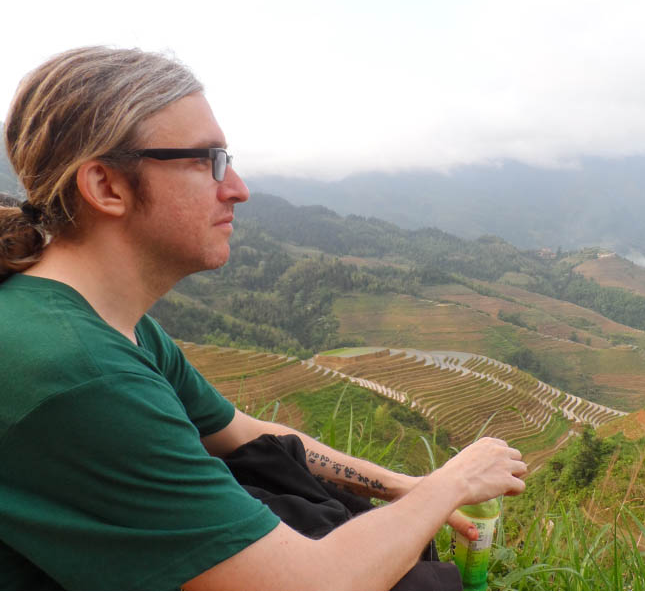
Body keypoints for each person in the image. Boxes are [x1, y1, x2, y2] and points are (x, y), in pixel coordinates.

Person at [0, 46, 527, 590]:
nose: (238, 189)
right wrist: (453, 483)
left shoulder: (102, 323)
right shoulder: (78, 373)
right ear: (106, 186)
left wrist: (402, 485)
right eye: (209, 161)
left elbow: (241, 435)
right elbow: (309, 586)